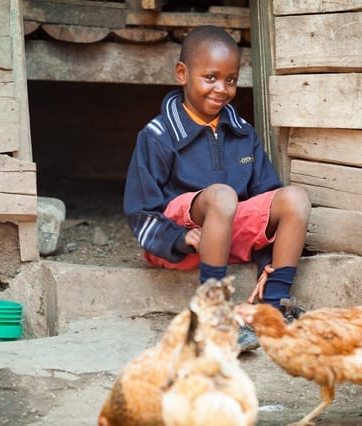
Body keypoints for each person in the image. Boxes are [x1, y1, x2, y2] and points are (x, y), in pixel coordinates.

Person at [123, 25, 311, 352]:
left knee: (295, 199)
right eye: (210, 77)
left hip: (228, 236)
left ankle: (273, 306)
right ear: (182, 73)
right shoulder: (157, 134)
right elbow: (140, 213)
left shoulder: (242, 133)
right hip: (179, 240)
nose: (222, 89)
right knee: (223, 194)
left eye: (231, 80)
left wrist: (266, 259)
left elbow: (266, 201)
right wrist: (178, 238)